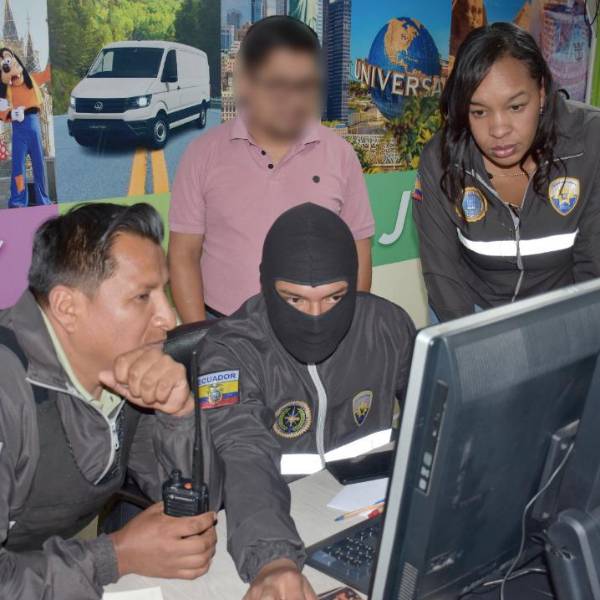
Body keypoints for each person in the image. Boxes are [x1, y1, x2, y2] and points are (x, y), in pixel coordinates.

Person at [0, 203, 220, 599]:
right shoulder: (6, 394)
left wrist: (179, 414)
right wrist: (115, 556)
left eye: (165, 292)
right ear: (67, 308)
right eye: (143, 296)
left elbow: (196, 508)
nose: (168, 319)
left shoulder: (124, 366)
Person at [198, 203, 415, 600]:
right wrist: (273, 560)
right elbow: (243, 452)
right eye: (294, 300)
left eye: (334, 298)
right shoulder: (230, 351)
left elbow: (436, 419)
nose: (315, 316)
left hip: (363, 520)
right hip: (267, 523)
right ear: (266, 286)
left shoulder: (386, 326)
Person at [168, 16, 374, 322]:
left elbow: (359, 250)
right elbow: (183, 255)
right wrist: (201, 337)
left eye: (304, 85)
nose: (292, 99)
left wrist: (349, 328)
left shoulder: (340, 155)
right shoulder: (202, 154)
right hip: (223, 325)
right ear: (246, 81)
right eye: (277, 83)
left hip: (316, 326)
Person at [413, 22, 600, 323]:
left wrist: (574, 337)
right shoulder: (441, 159)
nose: (499, 130)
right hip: (472, 310)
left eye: (515, 107)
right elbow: (443, 275)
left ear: (541, 92)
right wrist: (471, 343)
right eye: (478, 112)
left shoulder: (589, 142)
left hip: (561, 311)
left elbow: (593, 266)